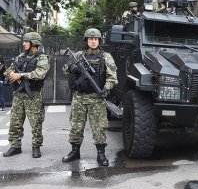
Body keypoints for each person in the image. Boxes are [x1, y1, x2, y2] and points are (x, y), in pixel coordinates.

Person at [62, 28, 117, 166]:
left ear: (99, 41)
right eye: (90, 39)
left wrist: (106, 88)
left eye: (96, 39)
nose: (93, 41)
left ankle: (101, 154)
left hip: (96, 98)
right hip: (79, 97)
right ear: (86, 40)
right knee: (76, 126)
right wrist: (73, 67)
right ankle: (75, 152)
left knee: (99, 127)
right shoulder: (79, 56)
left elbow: (112, 77)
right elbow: (64, 69)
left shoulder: (106, 57)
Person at [2, 32, 50, 158]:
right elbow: (8, 70)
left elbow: (40, 73)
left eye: (26, 41)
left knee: (36, 123)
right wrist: (12, 74)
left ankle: (36, 147)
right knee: (15, 122)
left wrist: (21, 75)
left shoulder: (42, 58)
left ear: (34, 43)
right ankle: (15, 146)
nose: (23, 43)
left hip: (33, 95)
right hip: (19, 95)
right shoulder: (20, 57)